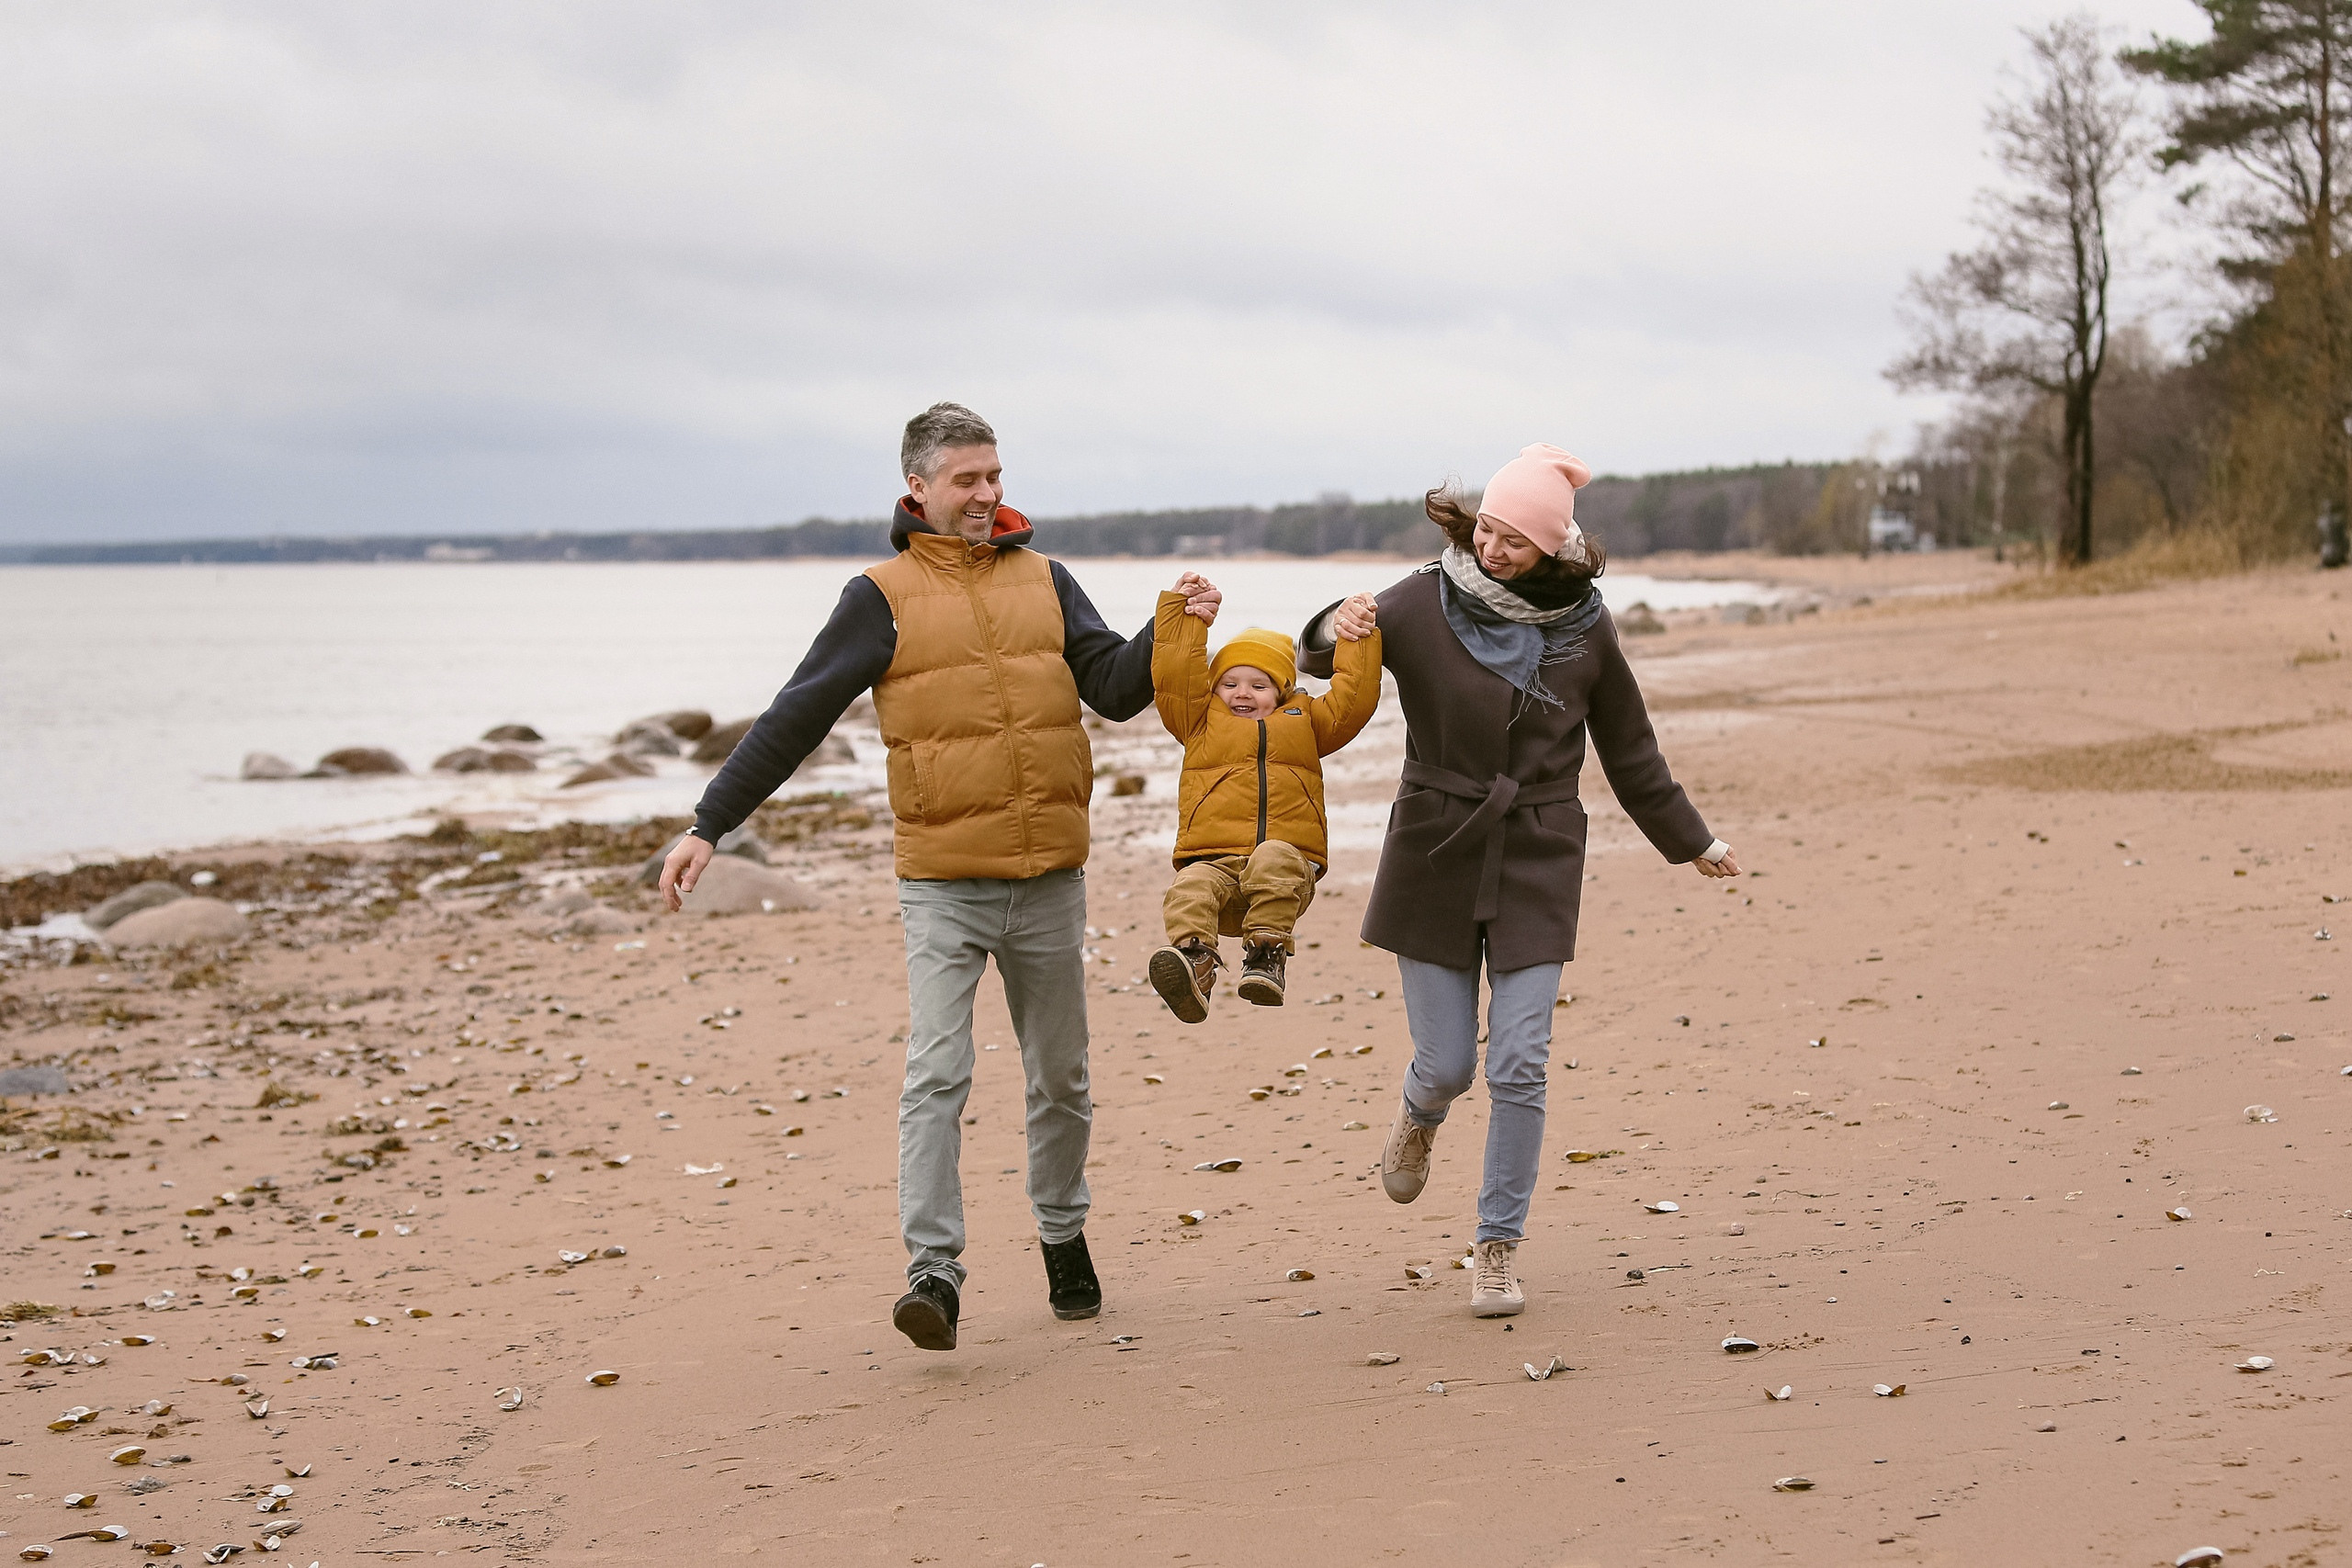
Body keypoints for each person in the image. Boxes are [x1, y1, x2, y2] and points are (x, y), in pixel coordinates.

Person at [658, 401, 1221, 1352]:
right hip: (943, 883)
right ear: (917, 486)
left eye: (993, 476)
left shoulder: (1046, 578)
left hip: (1049, 876)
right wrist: (710, 824)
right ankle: (935, 1273)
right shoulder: (877, 596)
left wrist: (1171, 624)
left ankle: (1062, 1235)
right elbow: (796, 715)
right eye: (966, 479)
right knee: (937, 1075)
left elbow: (1118, 691)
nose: (986, 494)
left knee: (1062, 1079)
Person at [1297, 443, 1740, 1319]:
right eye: (1487, 530)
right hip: (1435, 843)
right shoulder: (1425, 598)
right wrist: (1330, 624)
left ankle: (1497, 1247)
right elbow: (1320, 659)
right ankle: (1420, 1112)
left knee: (1521, 1060)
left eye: (1513, 540)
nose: (1493, 551)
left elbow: (1631, 748)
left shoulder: (1584, 623)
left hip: (1540, 848)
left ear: (1554, 548)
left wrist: (1693, 839)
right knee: (1451, 1061)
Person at [1143, 592, 1383, 1022]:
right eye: (1230, 683)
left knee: (1274, 855)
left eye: (1259, 685)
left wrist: (1357, 638)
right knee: (1189, 886)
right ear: (1214, 688)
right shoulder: (1198, 722)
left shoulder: (1306, 722)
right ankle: (1194, 963)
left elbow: (1354, 699)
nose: (1243, 694)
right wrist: (1186, 617)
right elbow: (1175, 674)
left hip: (1284, 880)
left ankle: (1267, 956)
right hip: (1215, 865)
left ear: (1282, 690)